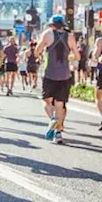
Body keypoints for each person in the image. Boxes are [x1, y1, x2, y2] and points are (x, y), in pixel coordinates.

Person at [34, 15, 77, 144]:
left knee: (46, 101)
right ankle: (58, 133)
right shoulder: (70, 36)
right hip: (65, 75)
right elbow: (77, 55)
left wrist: (42, 54)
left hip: (49, 73)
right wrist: (68, 58)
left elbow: (37, 51)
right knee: (60, 105)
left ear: (52, 25)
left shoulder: (47, 34)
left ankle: (52, 120)